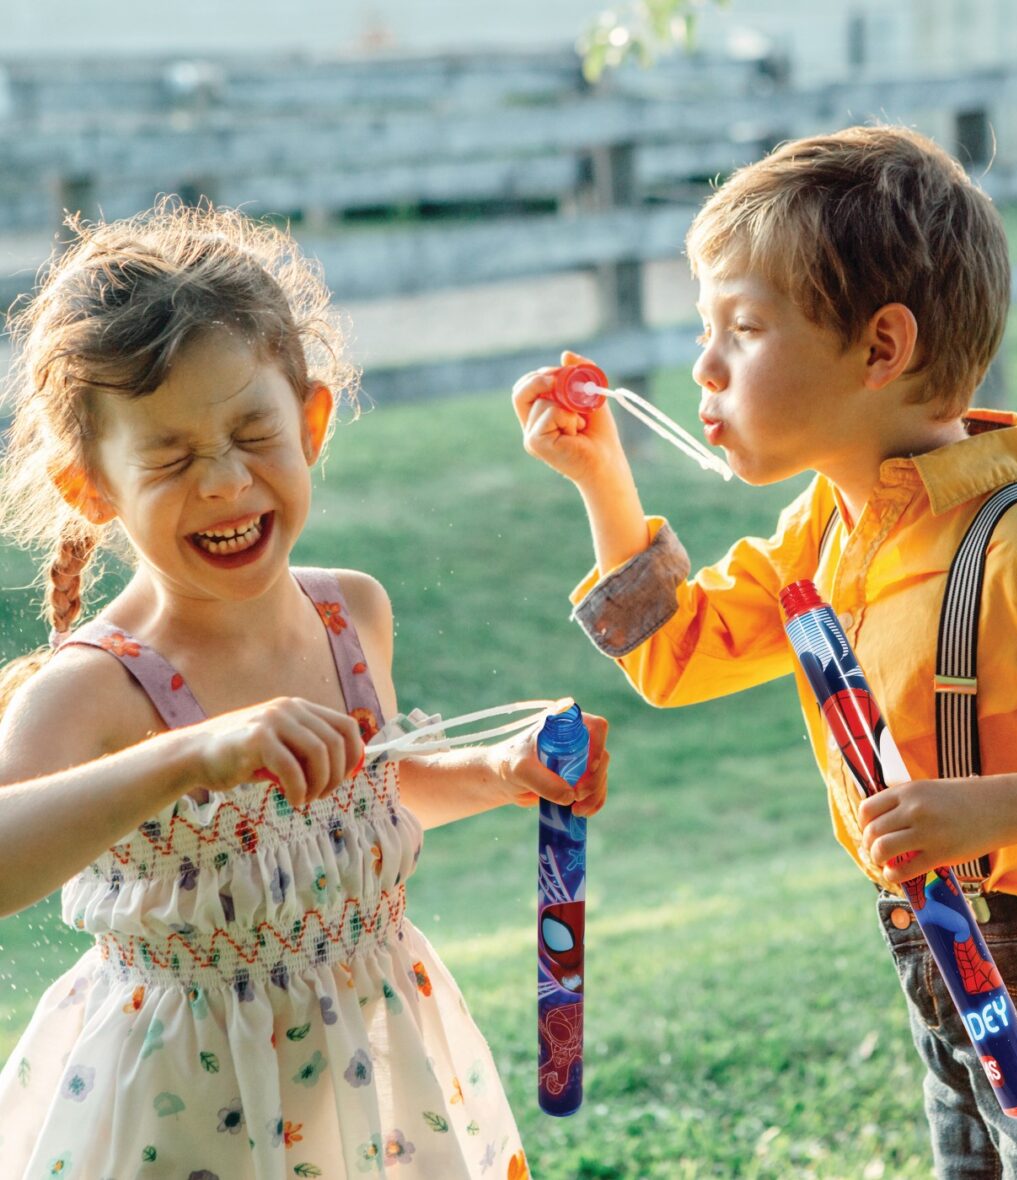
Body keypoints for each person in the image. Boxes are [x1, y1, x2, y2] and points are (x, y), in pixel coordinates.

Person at [512, 125, 1017, 1178]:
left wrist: (992, 808)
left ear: (880, 350)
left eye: (743, 327)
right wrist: (602, 477)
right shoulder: (825, 535)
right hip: (933, 952)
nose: (703, 364)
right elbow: (677, 652)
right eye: (704, 327)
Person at [0, 199, 608, 1180]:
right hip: (179, 1108)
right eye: (170, 456)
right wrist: (186, 755)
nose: (226, 481)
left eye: (253, 432)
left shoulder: (350, 619)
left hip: (368, 1077)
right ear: (91, 489)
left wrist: (500, 773)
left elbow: (350, 806)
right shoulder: (94, 689)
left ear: (312, 420)